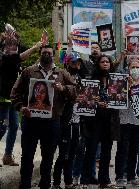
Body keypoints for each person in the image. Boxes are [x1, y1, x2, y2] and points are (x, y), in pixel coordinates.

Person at [10, 44, 76, 189]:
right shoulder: (29, 71)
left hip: (52, 122)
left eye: (49, 53)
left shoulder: (62, 73)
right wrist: (21, 107)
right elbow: (14, 93)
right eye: (44, 52)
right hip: (30, 120)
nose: (47, 55)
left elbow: (75, 93)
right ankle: (25, 185)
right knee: (27, 156)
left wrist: (63, 88)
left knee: (48, 157)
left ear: (54, 55)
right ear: (40, 54)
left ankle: (45, 184)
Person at [0, 26, 41, 167]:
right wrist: (36, 47)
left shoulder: (15, 59)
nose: (14, 45)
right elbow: (21, 56)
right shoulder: (5, 56)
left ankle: (7, 155)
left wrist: (39, 60)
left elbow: (25, 66)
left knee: (14, 126)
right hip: (2, 98)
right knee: (2, 127)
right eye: (11, 42)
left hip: (11, 98)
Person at [80, 54, 120, 189]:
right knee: (90, 151)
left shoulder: (115, 80)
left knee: (106, 152)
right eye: (102, 62)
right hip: (94, 121)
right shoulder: (91, 79)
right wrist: (98, 104)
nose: (105, 64)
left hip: (110, 120)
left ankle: (104, 181)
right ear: (98, 64)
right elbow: (86, 100)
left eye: (107, 62)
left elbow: (119, 99)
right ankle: (85, 181)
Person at [115, 58, 139, 188]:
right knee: (122, 149)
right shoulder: (121, 82)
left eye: (137, 67)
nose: (135, 69)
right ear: (128, 68)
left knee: (134, 149)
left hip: (138, 121)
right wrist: (130, 86)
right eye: (133, 67)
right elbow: (117, 98)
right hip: (124, 119)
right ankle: (120, 176)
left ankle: (131, 176)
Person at [52, 51, 83, 189]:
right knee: (63, 153)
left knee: (72, 153)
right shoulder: (61, 76)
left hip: (77, 121)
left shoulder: (81, 79)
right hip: (64, 120)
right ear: (67, 63)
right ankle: (56, 182)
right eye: (73, 62)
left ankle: (69, 181)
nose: (76, 65)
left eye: (78, 63)